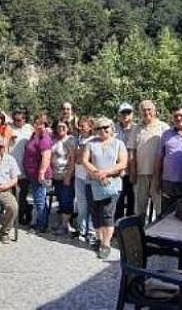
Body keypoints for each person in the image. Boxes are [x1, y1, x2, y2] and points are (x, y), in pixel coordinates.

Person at [82, 117, 128, 260]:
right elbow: (85, 161)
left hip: (111, 184)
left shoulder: (118, 143)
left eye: (105, 127)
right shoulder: (90, 143)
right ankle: (99, 238)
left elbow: (123, 163)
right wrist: (98, 174)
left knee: (107, 213)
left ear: (111, 128)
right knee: (95, 212)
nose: (102, 130)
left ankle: (106, 243)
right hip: (92, 182)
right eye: (99, 128)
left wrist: (105, 173)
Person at [127, 100, 169, 220]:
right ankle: (140, 230)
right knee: (140, 208)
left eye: (149, 109)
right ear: (140, 112)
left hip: (158, 174)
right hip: (140, 174)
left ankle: (159, 231)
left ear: (155, 111)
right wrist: (132, 172)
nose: (146, 112)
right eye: (143, 110)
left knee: (160, 208)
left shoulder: (164, 127)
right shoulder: (136, 129)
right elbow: (132, 151)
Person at [155, 106, 182, 213]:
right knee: (166, 214)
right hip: (168, 182)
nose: (178, 118)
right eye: (175, 116)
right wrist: (157, 180)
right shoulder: (166, 134)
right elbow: (159, 159)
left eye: (181, 115)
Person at [23, 112, 52, 233]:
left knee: (40, 201)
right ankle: (39, 222)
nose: (40, 126)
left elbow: (46, 157)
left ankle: (42, 225)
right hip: (32, 174)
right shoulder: (34, 135)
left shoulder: (44, 138)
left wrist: (41, 173)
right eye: (37, 123)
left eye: (43, 124)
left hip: (40, 175)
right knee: (38, 199)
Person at [50, 120, 76, 235]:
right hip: (56, 175)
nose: (61, 129)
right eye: (59, 126)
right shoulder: (54, 140)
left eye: (63, 127)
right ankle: (63, 223)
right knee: (60, 199)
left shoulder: (70, 140)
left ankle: (64, 225)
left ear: (67, 128)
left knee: (66, 200)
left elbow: (72, 160)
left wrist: (68, 176)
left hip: (66, 175)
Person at [9, 108, 34, 226]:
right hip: (11, 166)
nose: (17, 122)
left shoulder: (29, 129)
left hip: (24, 167)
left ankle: (21, 215)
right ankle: (16, 216)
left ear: (24, 119)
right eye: (15, 119)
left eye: (19, 120)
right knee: (12, 194)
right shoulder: (9, 128)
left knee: (22, 194)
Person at [73, 116, 95, 241]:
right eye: (79, 126)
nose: (80, 128)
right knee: (81, 204)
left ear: (90, 127)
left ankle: (91, 231)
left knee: (91, 204)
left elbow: (83, 158)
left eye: (83, 126)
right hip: (78, 175)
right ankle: (82, 229)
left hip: (89, 176)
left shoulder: (93, 140)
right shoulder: (79, 139)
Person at [114, 103, 135, 220]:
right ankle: (117, 225)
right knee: (118, 199)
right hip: (117, 171)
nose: (125, 115)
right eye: (123, 113)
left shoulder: (137, 129)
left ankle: (130, 226)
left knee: (132, 199)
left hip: (133, 170)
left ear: (132, 114)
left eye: (128, 112)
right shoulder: (113, 128)